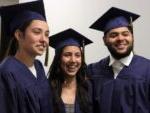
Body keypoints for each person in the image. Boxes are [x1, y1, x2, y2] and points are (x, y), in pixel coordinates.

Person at [87, 7, 150, 113]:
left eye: (125, 34)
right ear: (104, 40)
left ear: (132, 37)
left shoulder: (147, 70)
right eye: (113, 35)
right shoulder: (93, 71)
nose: (120, 38)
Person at [0, 1, 53, 113]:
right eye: (37, 32)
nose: (44, 40)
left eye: (47, 34)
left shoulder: (39, 67)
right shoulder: (6, 73)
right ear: (19, 35)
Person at [48, 28, 93, 113]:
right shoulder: (47, 89)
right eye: (67, 55)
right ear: (58, 59)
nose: (73, 60)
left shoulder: (89, 88)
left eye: (77, 55)